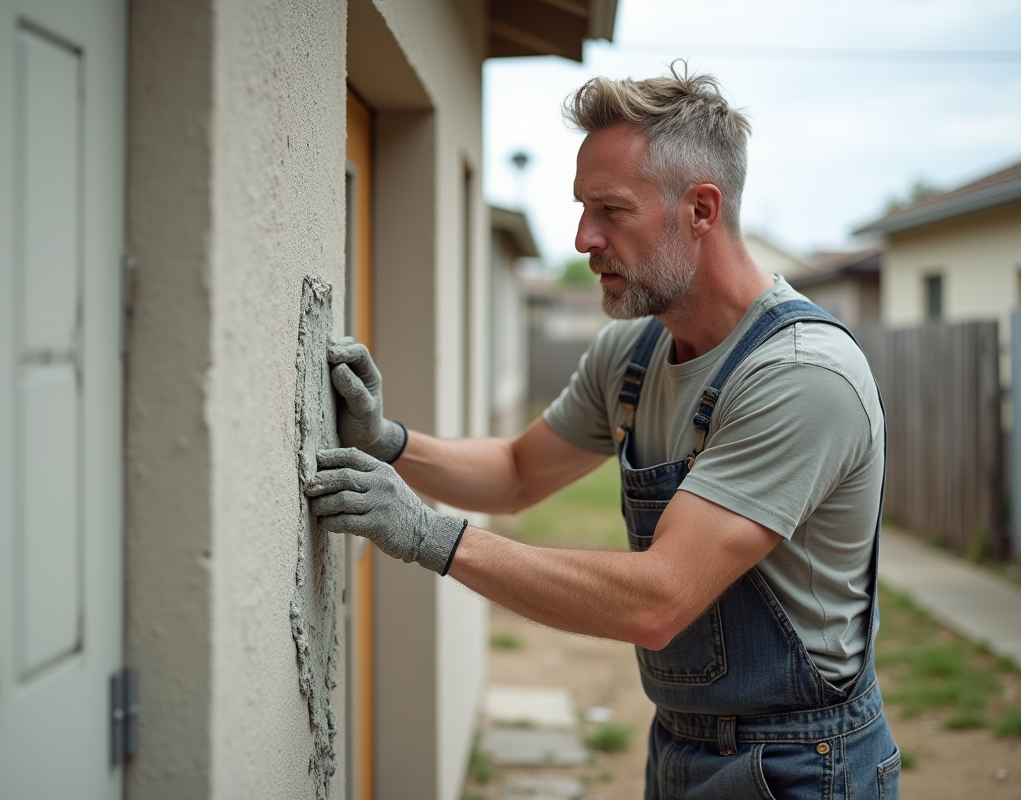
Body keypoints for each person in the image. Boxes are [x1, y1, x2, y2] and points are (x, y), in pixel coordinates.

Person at [305, 63, 899, 799]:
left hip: (802, 764)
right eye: (584, 208)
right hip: (680, 743)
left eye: (611, 210)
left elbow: (658, 599)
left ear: (701, 209)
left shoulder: (801, 376)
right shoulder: (634, 353)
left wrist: (426, 534)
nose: (584, 238)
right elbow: (518, 471)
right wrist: (386, 441)